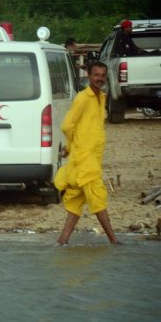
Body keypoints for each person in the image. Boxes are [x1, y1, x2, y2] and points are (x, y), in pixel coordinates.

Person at [55, 61, 121, 246]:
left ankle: (61, 242)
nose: (99, 78)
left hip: (90, 159)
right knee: (98, 199)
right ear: (89, 77)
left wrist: (69, 149)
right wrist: (71, 146)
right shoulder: (83, 98)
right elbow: (68, 125)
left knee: (75, 201)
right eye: (96, 75)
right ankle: (114, 241)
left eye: (102, 75)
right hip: (85, 161)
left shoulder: (101, 97)